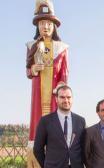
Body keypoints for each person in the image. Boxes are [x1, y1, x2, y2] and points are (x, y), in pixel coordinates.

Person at [26, 0, 69, 142]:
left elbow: (65, 72)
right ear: (38, 26)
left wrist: (60, 86)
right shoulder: (32, 46)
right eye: (42, 23)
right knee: (38, 121)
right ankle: (36, 149)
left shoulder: (62, 48)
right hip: (39, 92)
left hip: (54, 93)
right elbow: (28, 71)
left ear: (54, 27)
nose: (45, 27)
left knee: (55, 121)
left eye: (49, 24)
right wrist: (33, 69)